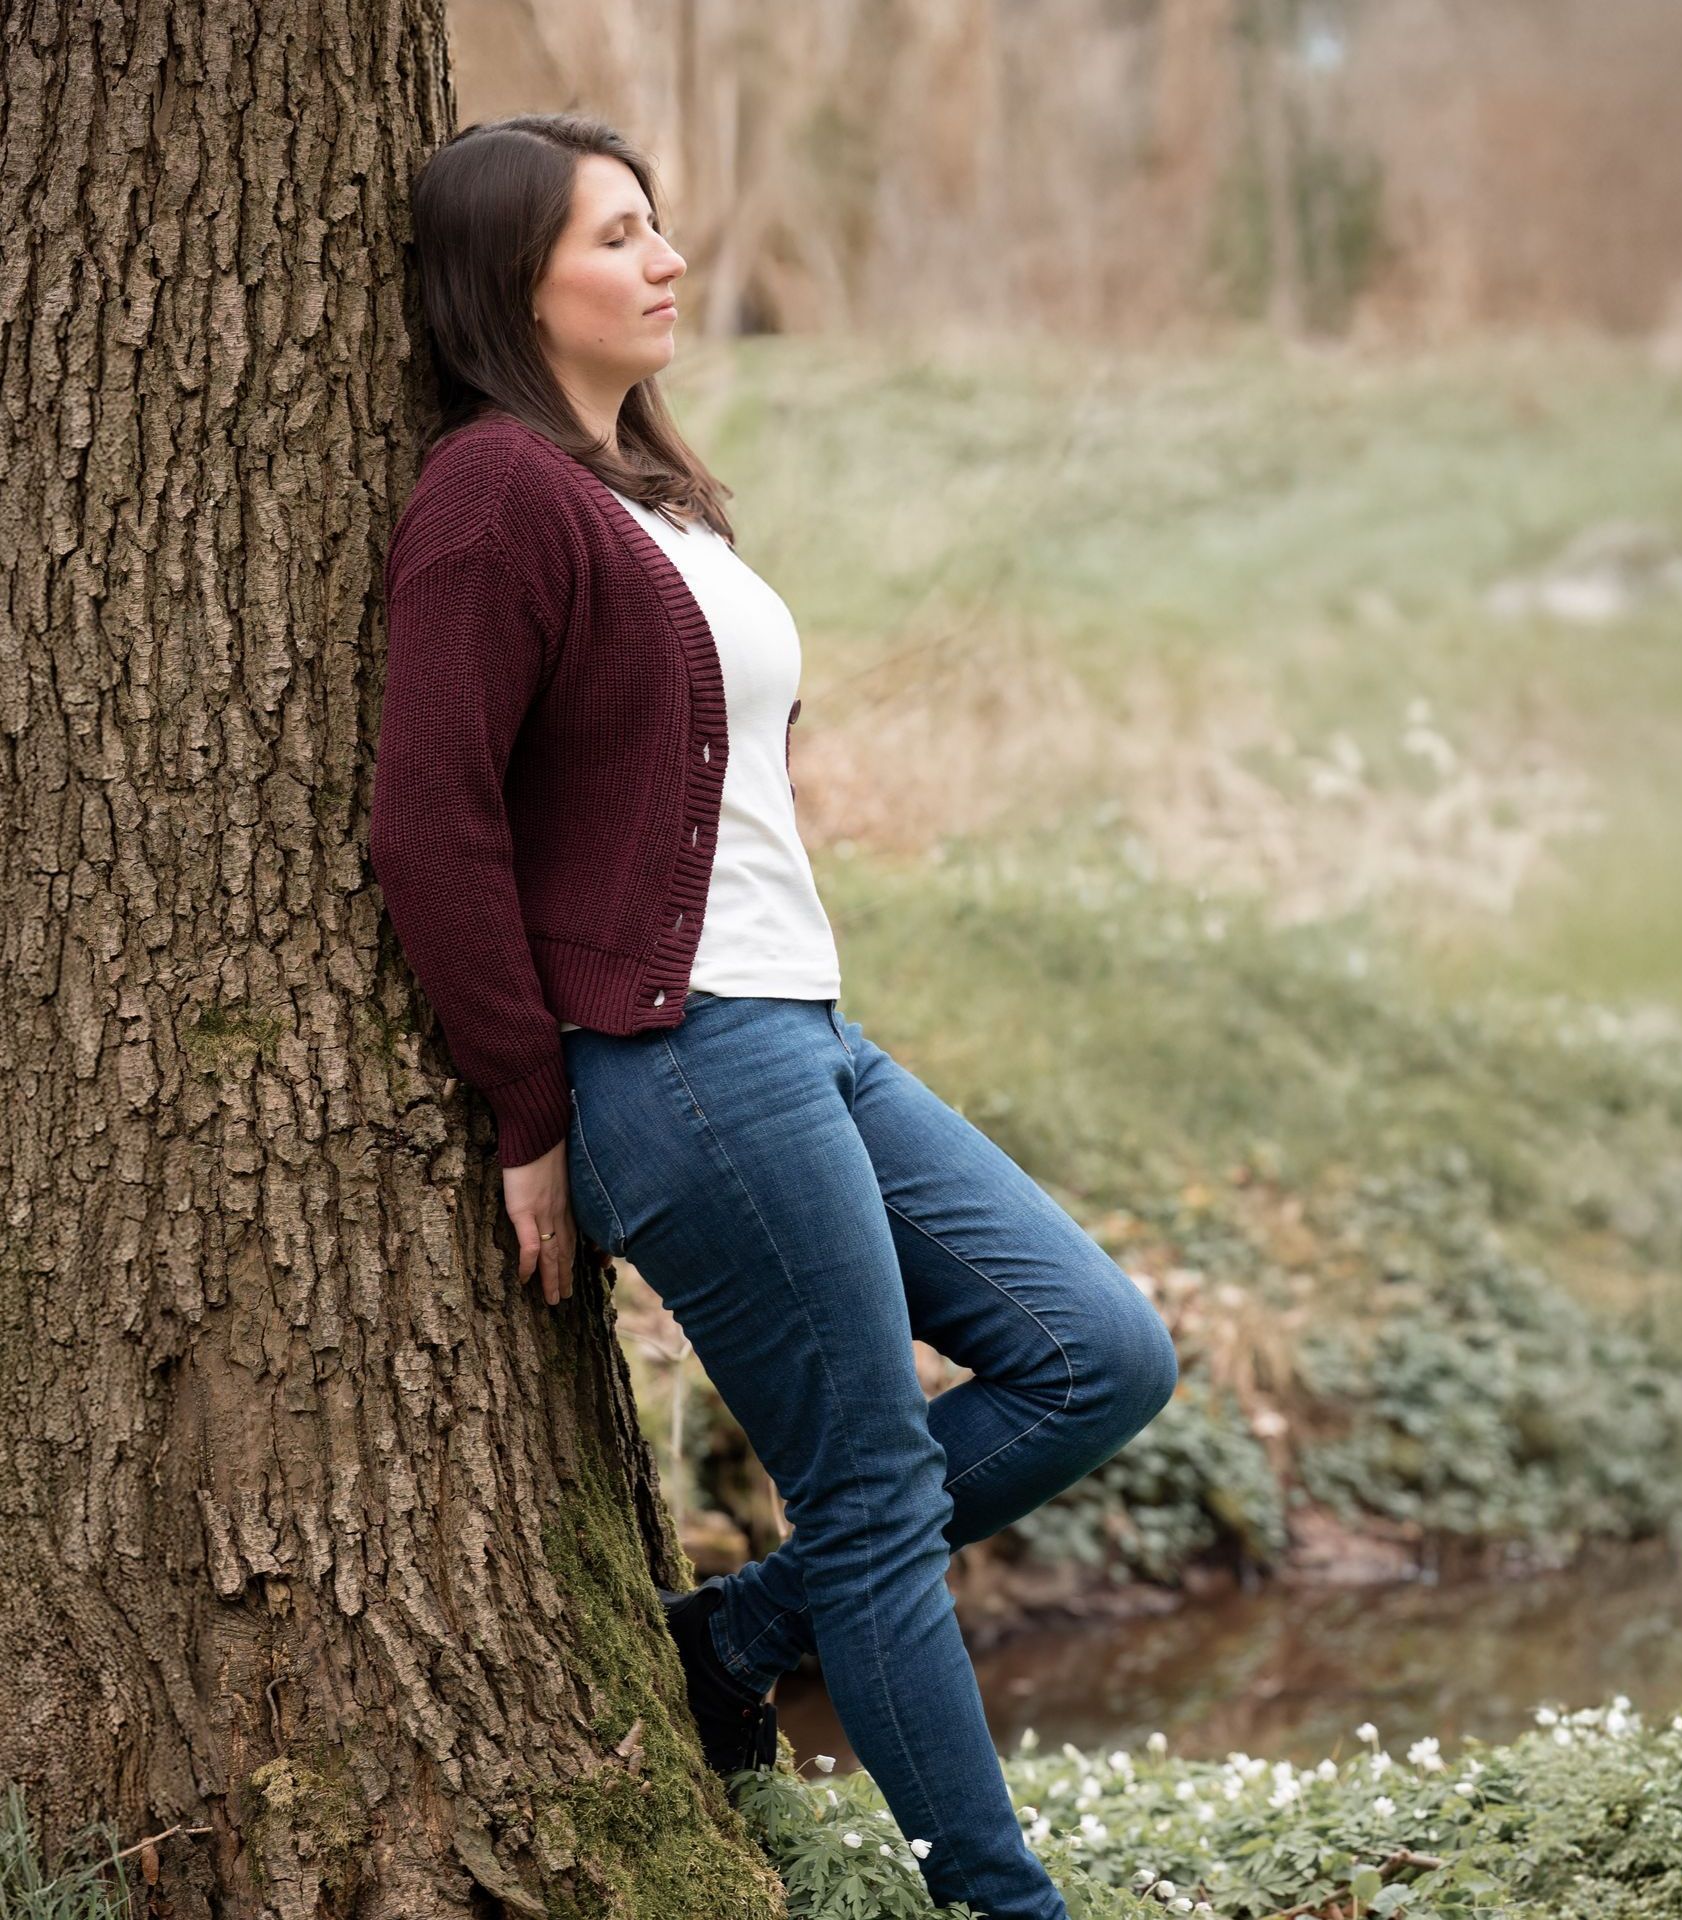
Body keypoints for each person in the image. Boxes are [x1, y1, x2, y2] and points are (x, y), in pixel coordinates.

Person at [369, 111, 1179, 1920]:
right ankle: (999, 1898)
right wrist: (527, 1109)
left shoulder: (639, 480)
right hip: (683, 1063)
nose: (666, 262)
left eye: (660, 230)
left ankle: (731, 1640)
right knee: (879, 1496)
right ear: (514, 280)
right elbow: (431, 820)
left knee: (1101, 1354)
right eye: (620, 236)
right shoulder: (493, 492)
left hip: (804, 1030)